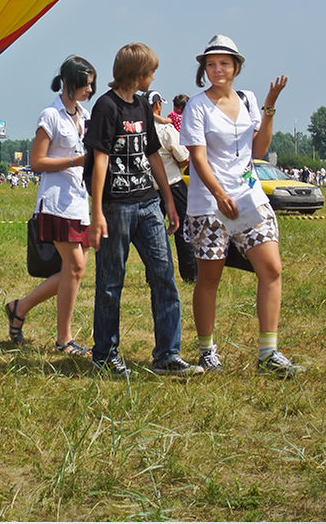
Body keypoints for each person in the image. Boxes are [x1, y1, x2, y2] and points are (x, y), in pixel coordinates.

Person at [179, 34, 303, 376]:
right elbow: (198, 158)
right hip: (210, 204)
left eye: (224, 63)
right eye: (211, 64)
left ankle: (268, 353)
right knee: (209, 278)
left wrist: (269, 106)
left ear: (236, 67)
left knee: (272, 269)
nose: (217, 69)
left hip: (249, 198)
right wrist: (220, 194)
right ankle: (207, 351)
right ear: (204, 69)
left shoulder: (248, 100)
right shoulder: (197, 106)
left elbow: (258, 150)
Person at [84, 43, 202, 378]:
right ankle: (105, 355)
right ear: (137, 74)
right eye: (150, 72)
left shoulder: (141, 107)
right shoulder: (106, 107)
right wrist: (97, 214)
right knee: (110, 283)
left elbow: (153, 156)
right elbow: (100, 161)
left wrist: (167, 199)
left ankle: (167, 355)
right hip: (115, 207)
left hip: (148, 204)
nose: (153, 77)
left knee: (164, 276)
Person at [5, 55, 97, 359]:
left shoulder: (84, 116)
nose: (89, 90)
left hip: (79, 200)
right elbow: (36, 162)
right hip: (57, 201)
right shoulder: (51, 115)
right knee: (76, 268)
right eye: (86, 84)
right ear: (71, 82)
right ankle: (64, 339)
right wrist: (76, 161)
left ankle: (20, 307)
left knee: (74, 271)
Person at [148, 91, 197, 283]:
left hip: (150, 187)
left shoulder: (140, 130)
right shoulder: (166, 130)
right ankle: (190, 274)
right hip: (173, 185)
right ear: (158, 105)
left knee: (153, 234)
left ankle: (153, 275)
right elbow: (184, 157)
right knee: (183, 230)